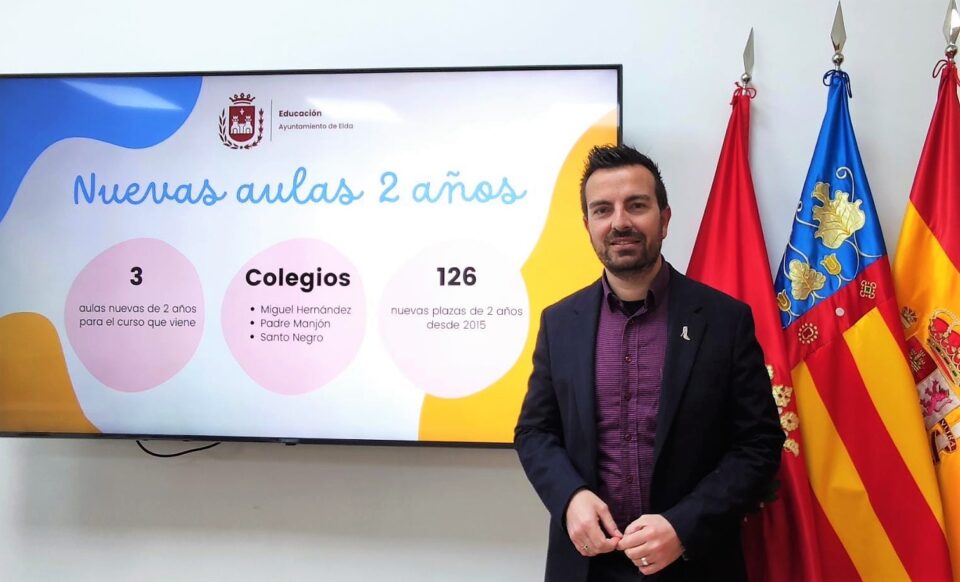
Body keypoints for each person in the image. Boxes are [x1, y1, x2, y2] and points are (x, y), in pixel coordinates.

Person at [515, 144, 783, 581]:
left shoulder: (725, 320)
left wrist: (684, 526)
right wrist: (569, 498)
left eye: (636, 205)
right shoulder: (559, 323)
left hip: (693, 563)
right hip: (585, 566)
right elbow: (534, 432)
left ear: (665, 218)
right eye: (603, 210)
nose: (619, 222)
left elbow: (759, 443)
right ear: (588, 225)